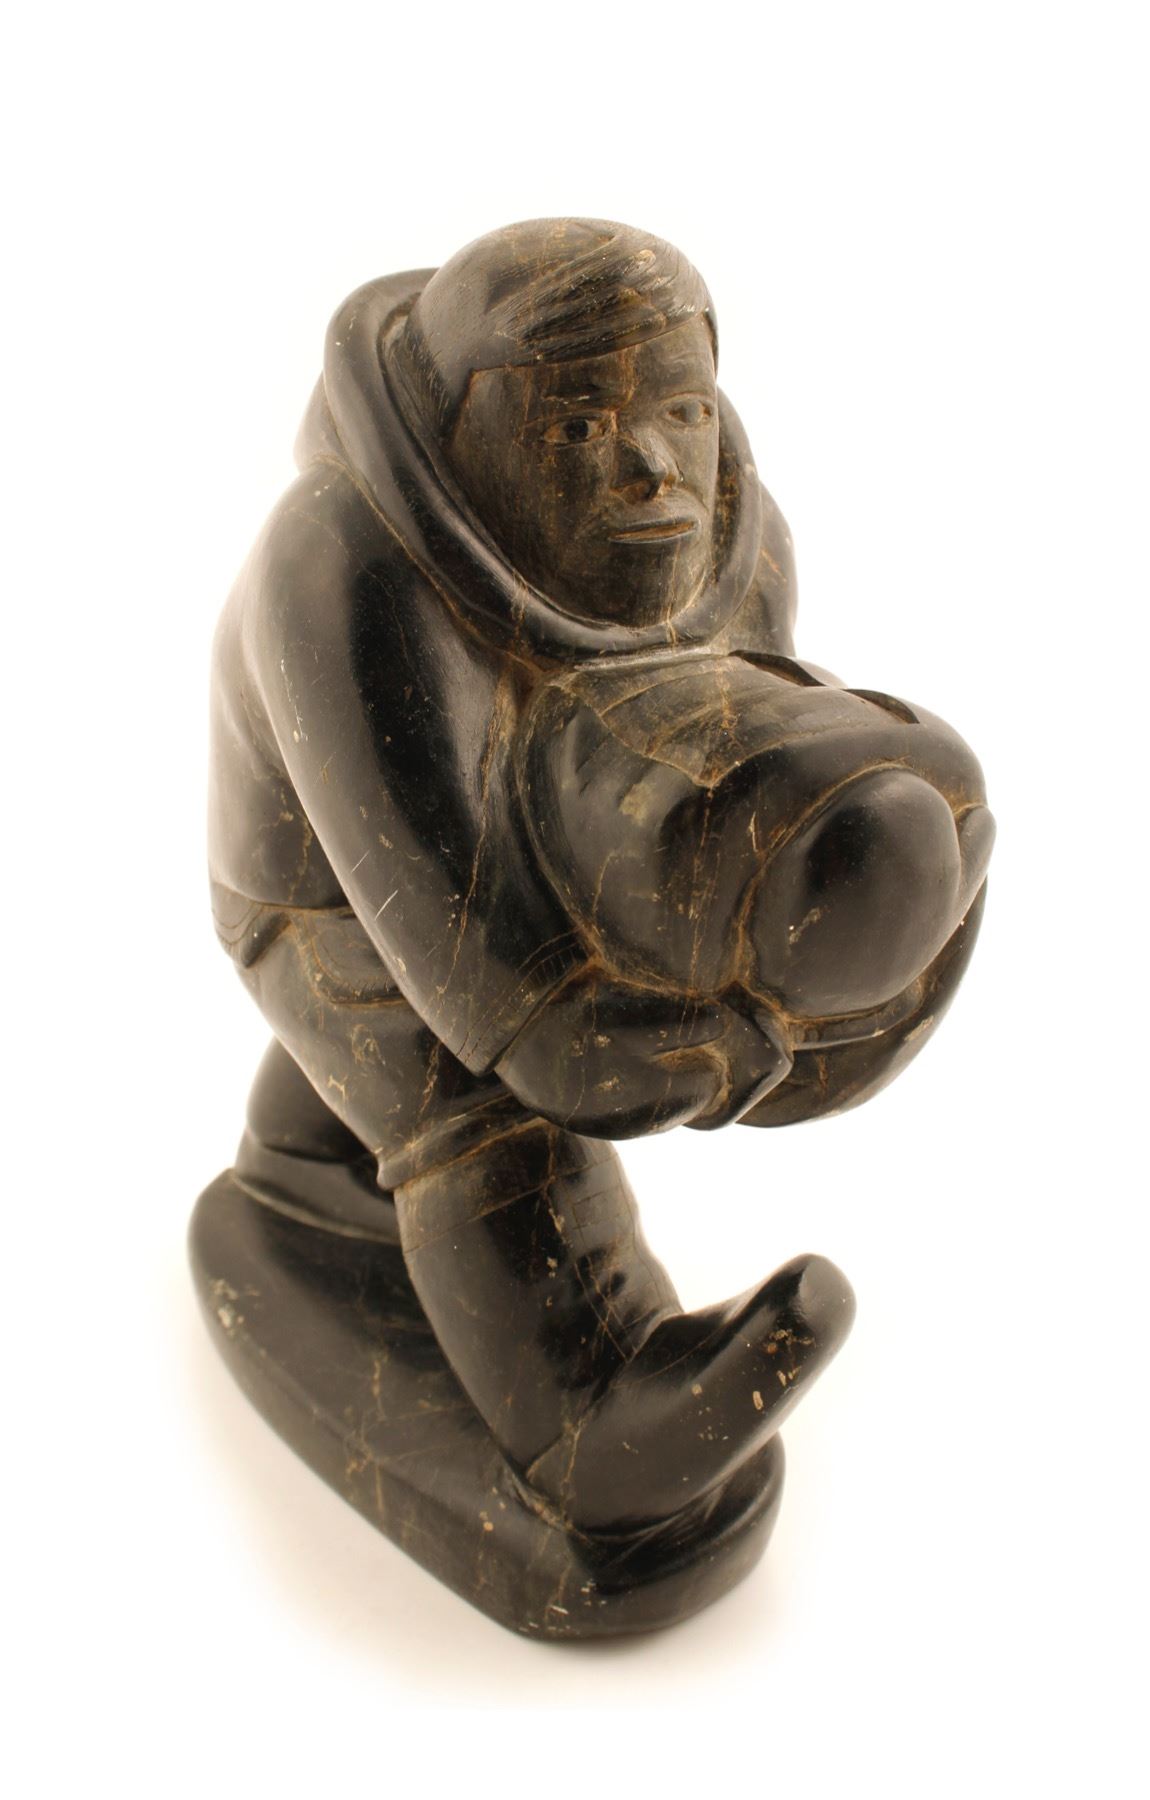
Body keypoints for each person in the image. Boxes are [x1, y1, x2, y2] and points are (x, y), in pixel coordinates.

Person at [208, 219, 990, 1531]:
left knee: (408, 1063)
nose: (649, 467)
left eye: (679, 411)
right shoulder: (339, 559)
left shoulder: (739, 531)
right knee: (460, 1086)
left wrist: (839, 947)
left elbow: (729, 748)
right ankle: (582, 1411)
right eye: (574, 430)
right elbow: (451, 932)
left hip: (562, 821)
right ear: (462, 434)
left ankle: (304, 1153)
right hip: (340, 893)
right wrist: (597, 1043)